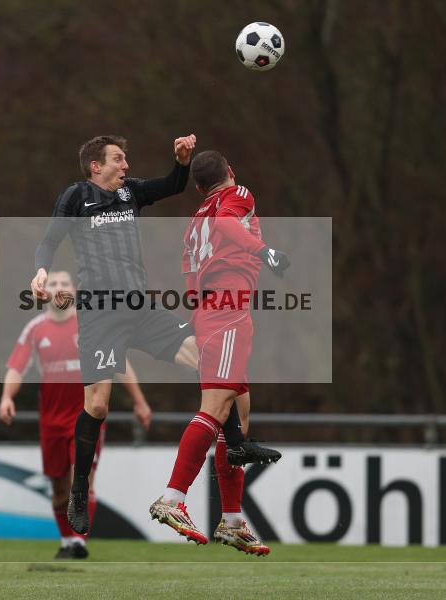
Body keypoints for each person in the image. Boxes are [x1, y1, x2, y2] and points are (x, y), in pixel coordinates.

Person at [30, 135, 278, 535]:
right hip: (99, 314)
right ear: (96, 165)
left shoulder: (131, 193)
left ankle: (234, 442)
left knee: (207, 358)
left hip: (140, 309)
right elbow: (48, 243)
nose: (126, 165)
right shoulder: (76, 196)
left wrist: (181, 162)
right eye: (118, 158)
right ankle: (79, 492)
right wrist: (41, 271)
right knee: (97, 406)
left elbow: (172, 185)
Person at [149, 150, 290, 555]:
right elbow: (229, 223)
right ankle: (172, 498)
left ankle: (231, 521)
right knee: (213, 409)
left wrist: (199, 321)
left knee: (238, 420)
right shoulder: (237, 194)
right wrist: (265, 252)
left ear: (197, 187)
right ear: (230, 172)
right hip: (227, 312)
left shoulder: (194, 222)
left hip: (209, 313)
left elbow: (190, 277)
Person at [0, 270, 151, 559]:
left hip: (85, 417)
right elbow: (17, 367)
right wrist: (7, 397)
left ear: (73, 290)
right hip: (51, 421)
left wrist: (140, 401)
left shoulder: (91, 324)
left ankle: (79, 542)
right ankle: (67, 541)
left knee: (82, 480)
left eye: (64, 284)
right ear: (44, 290)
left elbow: (120, 363)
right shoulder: (35, 329)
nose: (58, 288)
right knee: (59, 488)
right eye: (52, 283)